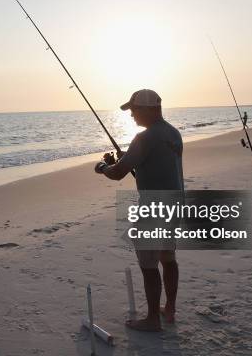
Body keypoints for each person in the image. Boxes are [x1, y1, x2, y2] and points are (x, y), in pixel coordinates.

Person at [94, 89, 183, 332]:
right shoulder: (173, 134)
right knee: (168, 259)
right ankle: (170, 309)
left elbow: (118, 174)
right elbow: (158, 163)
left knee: (148, 265)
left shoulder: (144, 138)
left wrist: (103, 166)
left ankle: (153, 319)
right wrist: (129, 159)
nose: (131, 115)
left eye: (134, 110)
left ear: (148, 109)